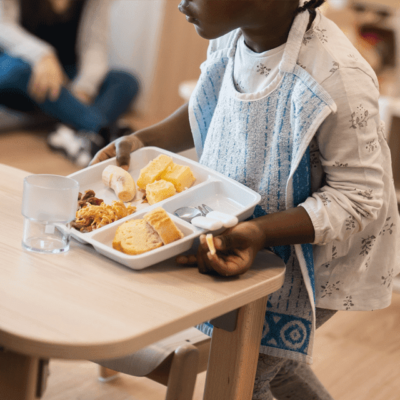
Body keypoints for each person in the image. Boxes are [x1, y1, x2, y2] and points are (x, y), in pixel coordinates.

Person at [90, 0, 399, 398]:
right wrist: (147, 139)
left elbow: (357, 198)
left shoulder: (338, 76)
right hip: (258, 235)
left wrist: (259, 232)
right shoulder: (231, 39)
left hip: (324, 256)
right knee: (276, 362)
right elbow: (208, 104)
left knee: (242, 375)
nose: (182, 2)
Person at [0, 0, 139, 166]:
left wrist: (84, 88)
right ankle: (102, 129)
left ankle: (69, 132)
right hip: (17, 70)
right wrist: (42, 55)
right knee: (20, 71)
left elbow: (94, 46)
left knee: (125, 81)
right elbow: (3, 27)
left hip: (64, 78)